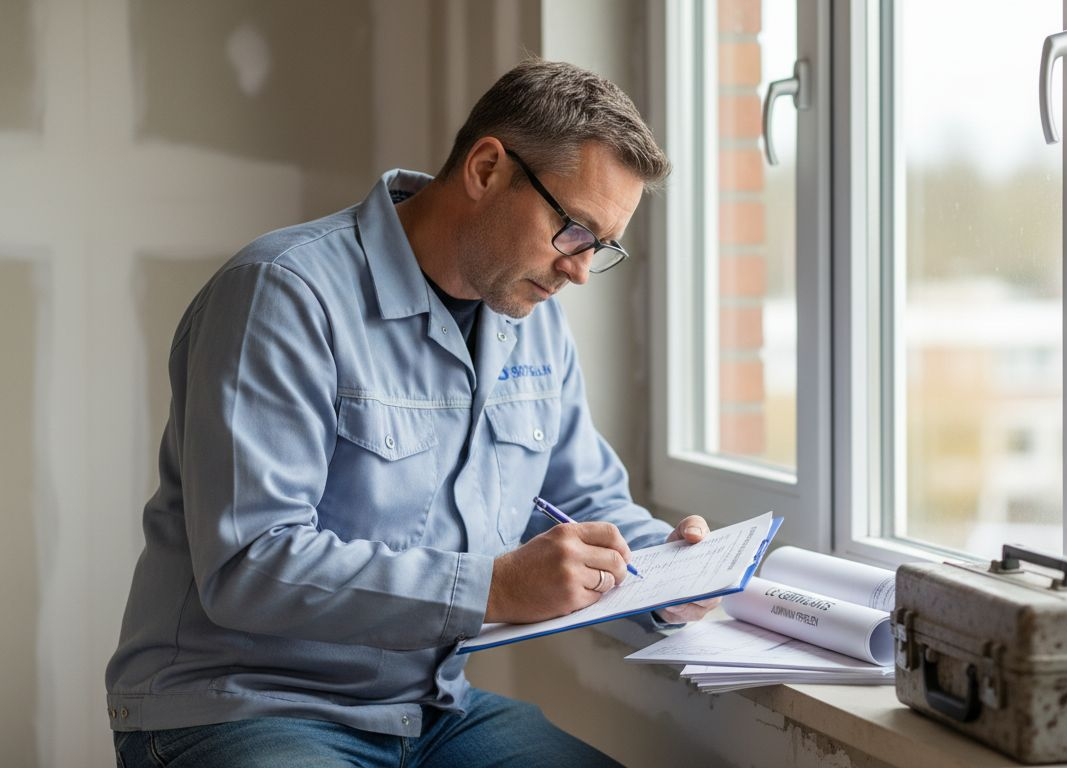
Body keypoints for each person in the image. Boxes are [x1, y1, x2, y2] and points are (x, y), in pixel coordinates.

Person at [106, 58, 718, 768]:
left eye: (602, 246)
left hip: (429, 710)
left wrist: (671, 576)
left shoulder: (531, 316)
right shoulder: (281, 296)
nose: (581, 268)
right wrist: (494, 587)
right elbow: (251, 563)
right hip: (240, 704)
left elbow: (581, 500)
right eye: (575, 229)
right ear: (487, 169)